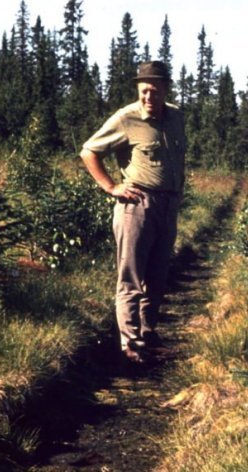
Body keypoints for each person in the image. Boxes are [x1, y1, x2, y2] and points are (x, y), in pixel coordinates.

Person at [79, 61, 186, 364]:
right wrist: (111, 187)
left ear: (166, 89)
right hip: (137, 205)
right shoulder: (126, 119)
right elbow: (89, 151)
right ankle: (131, 344)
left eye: (154, 91)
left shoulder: (176, 117)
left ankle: (148, 335)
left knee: (158, 275)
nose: (148, 97)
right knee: (132, 277)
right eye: (144, 91)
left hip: (168, 206)